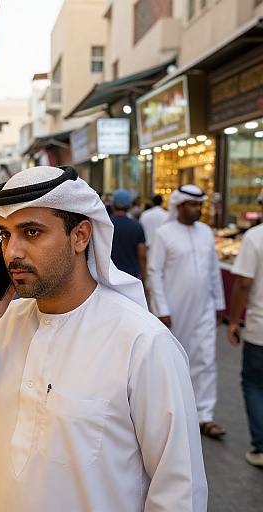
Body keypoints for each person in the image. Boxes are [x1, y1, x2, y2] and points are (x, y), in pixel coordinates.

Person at [0, 166, 207, 511]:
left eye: (31, 232)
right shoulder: (4, 326)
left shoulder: (143, 342)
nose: (12, 252)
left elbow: (180, 490)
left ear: (80, 236)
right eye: (5, 235)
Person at [148, 184, 226, 439]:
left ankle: (205, 415)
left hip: (204, 308)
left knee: (206, 359)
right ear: (179, 206)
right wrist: (161, 308)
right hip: (174, 308)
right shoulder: (164, 233)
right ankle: (175, 412)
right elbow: (154, 273)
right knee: (174, 360)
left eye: (200, 205)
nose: (198, 210)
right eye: (193, 205)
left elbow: (213, 270)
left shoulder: (205, 232)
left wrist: (219, 304)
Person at [228, 189, 263, 466]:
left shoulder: (254, 238)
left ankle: (260, 447)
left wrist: (233, 320)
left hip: (259, 329)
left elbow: (243, 283)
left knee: (253, 383)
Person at [109, 189, 147, 281]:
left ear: (113, 205)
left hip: (109, 276)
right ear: (129, 206)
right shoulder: (136, 226)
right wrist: (144, 279)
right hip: (131, 277)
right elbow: (142, 256)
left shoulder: (105, 225)